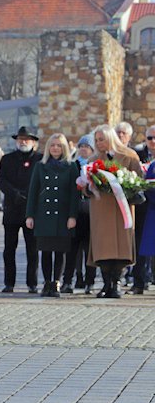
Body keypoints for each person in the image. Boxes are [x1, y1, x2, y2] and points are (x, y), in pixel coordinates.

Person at [88, 124, 145, 298]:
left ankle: (117, 283)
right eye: (96, 140)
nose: (99, 143)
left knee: (121, 247)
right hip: (101, 209)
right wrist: (88, 188)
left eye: (101, 139)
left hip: (122, 208)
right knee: (103, 248)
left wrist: (128, 185)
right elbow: (86, 183)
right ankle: (106, 283)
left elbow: (138, 181)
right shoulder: (94, 159)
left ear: (110, 138)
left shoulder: (129, 156)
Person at [25, 134, 80, 297]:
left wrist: (72, 216)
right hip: (44, 215)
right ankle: (47, 282)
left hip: (63, 216)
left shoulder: (71, 167)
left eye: (59, 145)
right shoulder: (40, 166)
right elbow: (33, 192)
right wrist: (30, 215)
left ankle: (56, 282)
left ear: (64, 148)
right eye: (52, 145)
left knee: (60, 251)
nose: (55, 148)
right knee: (46, 251)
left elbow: (74, 195)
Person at [0, 126, 42, 293]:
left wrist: (30, 196)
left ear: (33, 142)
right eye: (20, 139)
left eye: (26, 139)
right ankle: (9, 283)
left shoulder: (39, 159)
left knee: (33, 249)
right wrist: (14, 194)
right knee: (9, 249)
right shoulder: (7, 159)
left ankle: (32, 283)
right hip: (12, 209)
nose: (23, 142)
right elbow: (1, 179)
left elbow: (41, 182)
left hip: (31, 211)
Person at [62, 135, 97, 294]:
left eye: (87, 146)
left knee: (90, 250)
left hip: (92, 213)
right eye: (81, 146)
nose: (84, 149)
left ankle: (90, 281)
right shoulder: (73, 165)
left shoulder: (96, 166)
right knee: (71, 250)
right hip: (75, 213)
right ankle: (68, 280)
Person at [129, 125, 155, 294]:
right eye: (150, 138)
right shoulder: (138, 155)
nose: (153, 141)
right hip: (143, 207)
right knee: (141, 246)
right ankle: (139, 282)